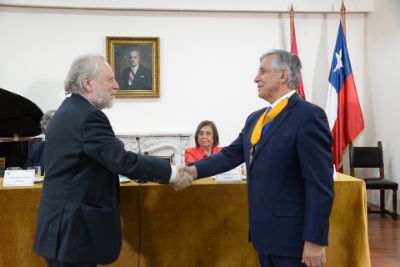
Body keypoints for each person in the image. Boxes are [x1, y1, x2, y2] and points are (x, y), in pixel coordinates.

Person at [33, 54, 192, 267]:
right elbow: (122, 161)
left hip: (61, 230)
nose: (116, 86)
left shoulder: (67, 110)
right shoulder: (87, 116)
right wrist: (172, 173)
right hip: (73, 232)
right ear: (87, 82)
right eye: (109, 79)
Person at [184, 50, 334, 267]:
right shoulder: (255, 119)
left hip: (294, 240)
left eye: (262, 71)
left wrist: (315, 240)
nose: (256, 78)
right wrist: (191, 171)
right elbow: (229, 155)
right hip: (263, 236)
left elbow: (320, 185)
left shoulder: (309, 116)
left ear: (283, 75)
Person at [24, 110, 56, 175]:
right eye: (52, 128)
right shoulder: (36, 149)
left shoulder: (72, 148)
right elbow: (26, 173)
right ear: (44, 130)